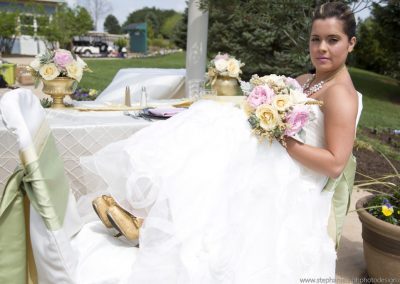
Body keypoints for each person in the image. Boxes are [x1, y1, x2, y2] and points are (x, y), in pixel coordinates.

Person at [81, 2, 362, 283]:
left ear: (350, 44)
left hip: (297, 176)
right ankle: (145, 217)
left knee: (220, 150)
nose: (322, 48)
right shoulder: (306, 79)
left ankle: (146, 223)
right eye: (316, 39)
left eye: (332, 40)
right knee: (214, 134)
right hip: (279, 156)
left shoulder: (340, 94)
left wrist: (279, 138)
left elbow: (335, 164)